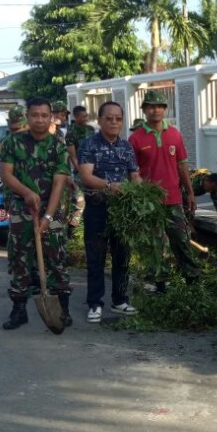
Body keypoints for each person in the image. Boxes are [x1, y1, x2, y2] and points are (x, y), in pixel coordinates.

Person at [0, 98, 73, 330]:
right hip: (22, 209)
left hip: (54, 210)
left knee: (57, 258)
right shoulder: (12, 142)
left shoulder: (58, 145)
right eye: (35, 115)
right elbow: (6, 175)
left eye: (44, 115)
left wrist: (48, 217)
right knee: (20, 258)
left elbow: (59, 182)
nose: (39, 119)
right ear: (27, 117)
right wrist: (27, 193)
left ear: (51, 117)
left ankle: (62, 310)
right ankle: (19, 310)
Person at [128, 90, 200, 292]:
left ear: (165, 110)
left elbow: (182, 165)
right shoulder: (135, 139)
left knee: (182, 241)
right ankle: (161, 285)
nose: (156, 110)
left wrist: (190, 192)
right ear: (144, 110)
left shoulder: (175, 134)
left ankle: (193, 281)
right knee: (155, 245)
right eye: (151, 106)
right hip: (149, 203)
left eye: (160, 106)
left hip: (174, 199)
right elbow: (131, 173)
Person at [76, 101, 140, 323]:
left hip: (122, 211)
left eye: (118, 118)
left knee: (123, 256)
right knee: (96, 257)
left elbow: (134, 175)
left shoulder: (126, 147)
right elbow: (86, 176)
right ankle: (95, 303)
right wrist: (110, 186)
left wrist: (141, 192)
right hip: (97, 209)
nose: (114, 122)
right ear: (100, 120)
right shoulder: (89, 145)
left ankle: (120, 300)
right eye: (109, 118)